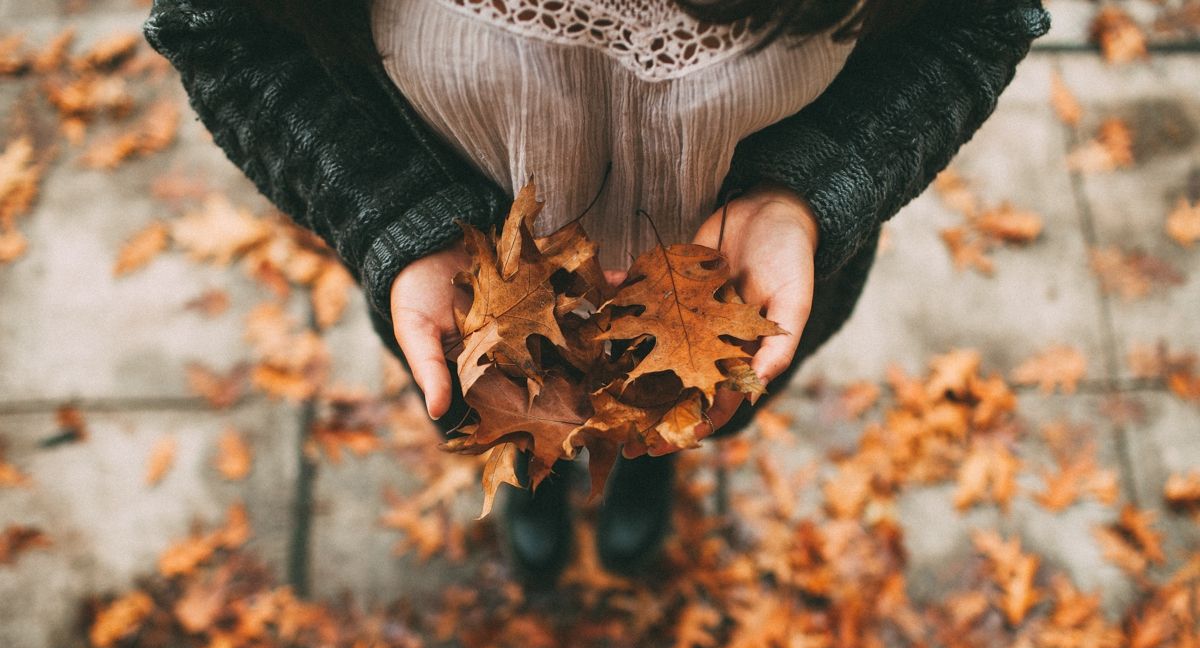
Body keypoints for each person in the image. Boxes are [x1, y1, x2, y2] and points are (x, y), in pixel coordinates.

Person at [143, 0, 1051, 585]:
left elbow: (979, 19)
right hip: (477, 304)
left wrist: (806, 194)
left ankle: (649, 470)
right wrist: (391, 219)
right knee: (514, 410)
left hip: (719, 297)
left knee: (684, 408)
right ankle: (537, 479)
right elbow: (219, 27)